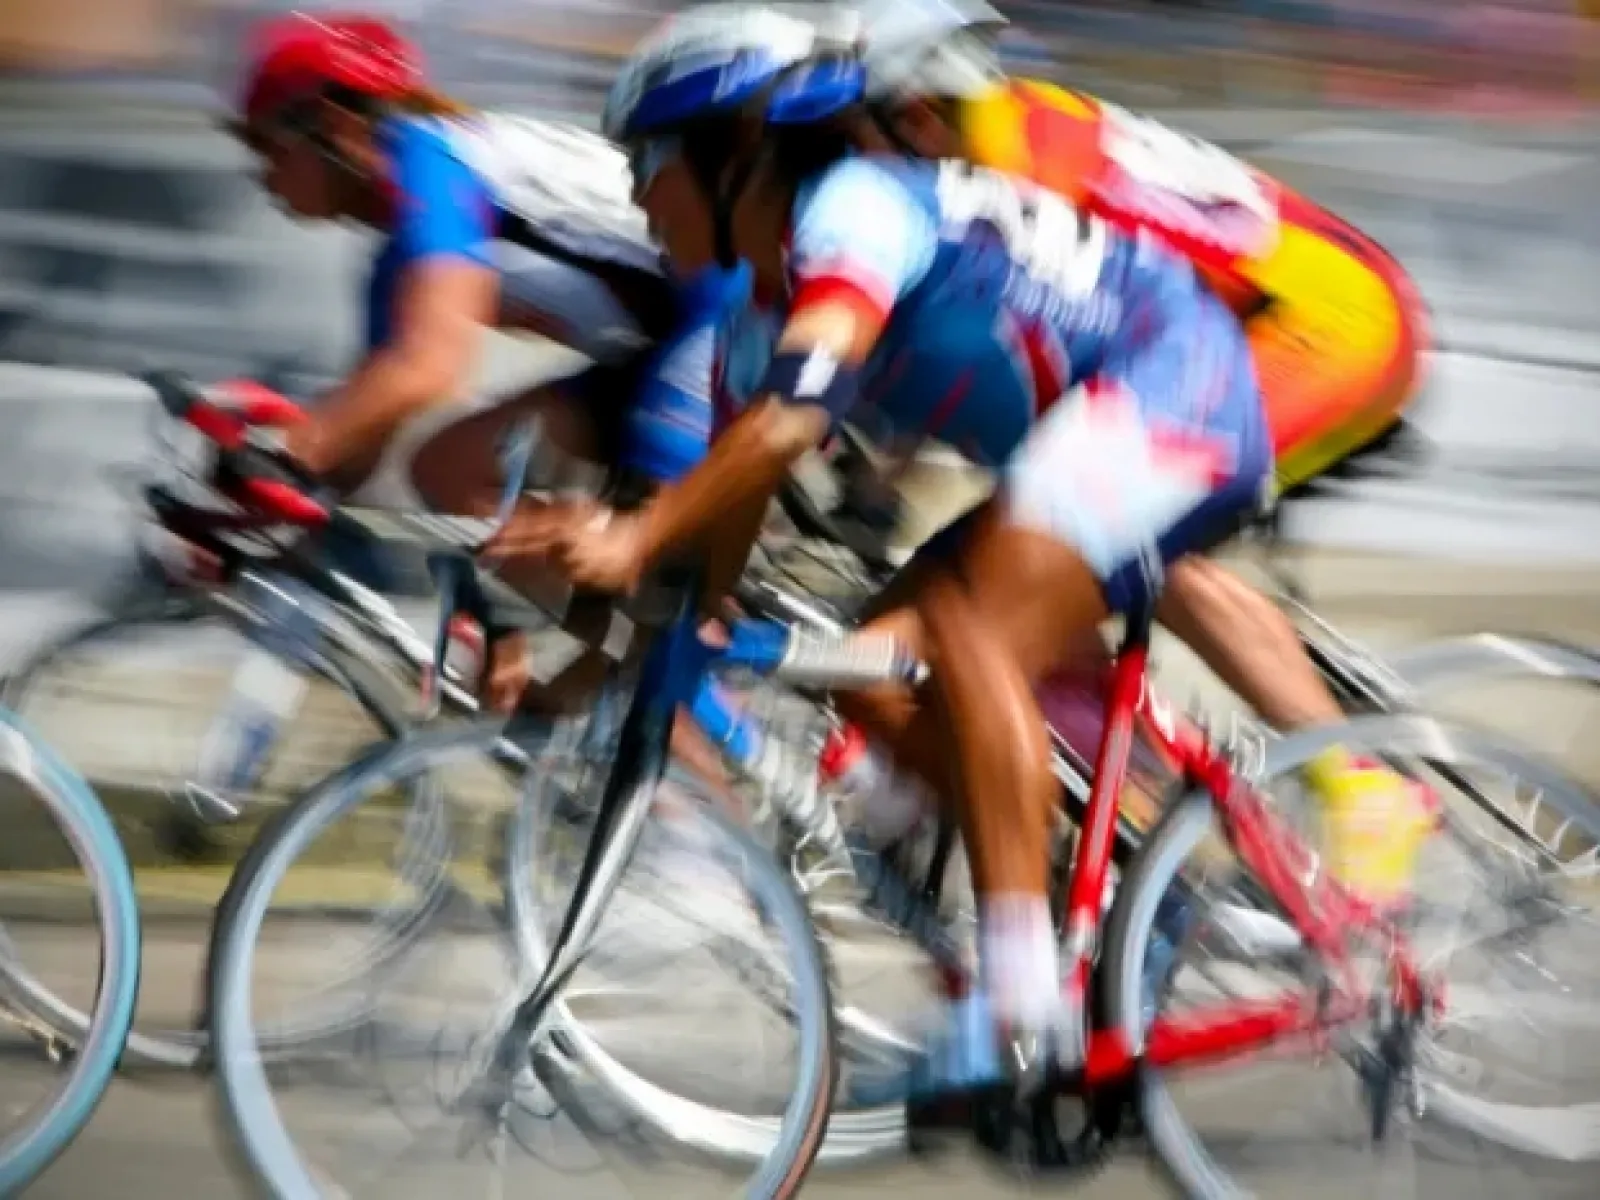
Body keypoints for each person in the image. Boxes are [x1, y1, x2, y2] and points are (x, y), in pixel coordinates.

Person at [490, 1, 1279, 1114]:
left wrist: (631, 529)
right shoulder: (753, 324)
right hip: (1094, 428)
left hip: (1178, 379)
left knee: (969, 632)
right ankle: (1125, 921)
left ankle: (1018, 1004)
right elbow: (697, 582)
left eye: (645, 163)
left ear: (729, 155)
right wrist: (581, 675)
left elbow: (793, 420)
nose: (631, 195)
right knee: (870, 672)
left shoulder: (849, 210)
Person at [845, 0, 1435, 905]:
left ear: (914, 114)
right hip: (1278, 316)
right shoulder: (1010, 124)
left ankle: (1362, 787)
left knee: (1134, 525)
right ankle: (1162, 825)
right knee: (1063, 531)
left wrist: (881, 472)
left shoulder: (1004, 166)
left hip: (1327, 330)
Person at [226, 11, 757, 794]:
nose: (259, 172)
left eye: (265, 143)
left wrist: (273, 452)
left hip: (725, 312)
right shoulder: (396, 257)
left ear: (332, 125)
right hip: (655, 346)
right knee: (450, 468)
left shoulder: (430, 163)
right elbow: (356, 454)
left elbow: (428, 367)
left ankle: (700, 849)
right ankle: (649, 685)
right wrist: (250, 528)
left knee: (645, 610)